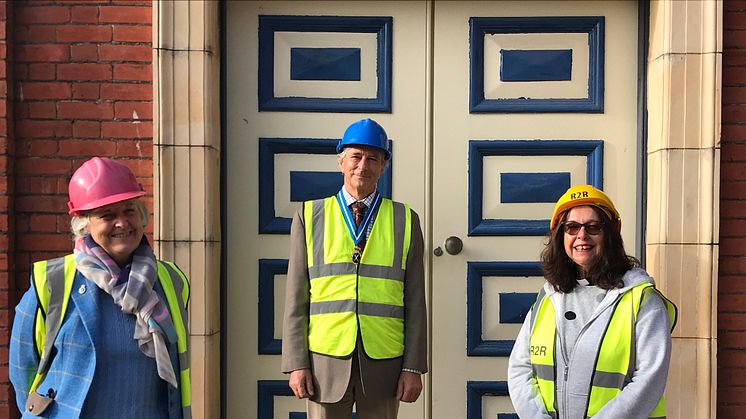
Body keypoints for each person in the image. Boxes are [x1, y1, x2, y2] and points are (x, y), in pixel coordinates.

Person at [10, 157, 190, 418]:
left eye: (129, 210)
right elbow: (22, 371)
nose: (122, 223)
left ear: (141, 216)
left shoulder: (170, 280)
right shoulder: (53, 281)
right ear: (85, 224)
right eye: (107, 214)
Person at [282, 118, 427, 419]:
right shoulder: (310, 217)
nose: (363, 165)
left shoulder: (405, 220)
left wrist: (413, 367)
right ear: (341, 161)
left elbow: (415, 302)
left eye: (373, 158)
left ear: (383, 166)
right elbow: (295, 299)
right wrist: (297, 364)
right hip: (324, 360)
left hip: (385, 360)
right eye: (356, 156)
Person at [508, 184, 677, 419]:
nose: (582, 235)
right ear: (561, 236)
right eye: (572, 227)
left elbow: (650, 380)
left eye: (593, 227)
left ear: (610, 235)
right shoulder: (548, 298)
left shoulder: (641, 299)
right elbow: (520, 369)